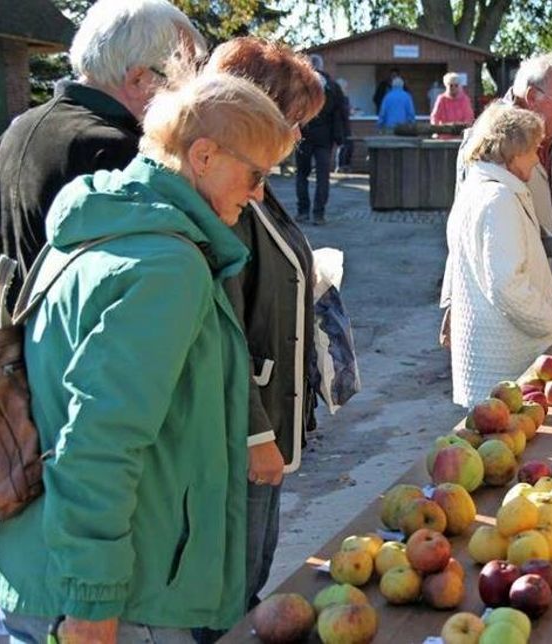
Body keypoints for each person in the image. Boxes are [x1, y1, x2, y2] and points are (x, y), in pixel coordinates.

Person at [0, 72, 297, 643]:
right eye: (256, 174)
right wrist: (93, 602)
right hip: (121, 599)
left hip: (47, 568)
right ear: (203, 156)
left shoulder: (100, 224)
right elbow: (97, 443)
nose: (258, 193)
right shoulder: (164, 268)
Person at [0, 0, 205, 318]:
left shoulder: (18, 130)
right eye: (181, 80)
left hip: (26, 351)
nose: (189, 97)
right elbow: (145, 298)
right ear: (138, 79)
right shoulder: (120, 153)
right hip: (83, 358)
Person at [206, 37, 325, 612]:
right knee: (231, 588)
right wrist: (257, 435)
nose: (298, 136)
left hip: (266, 421)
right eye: (293, 120)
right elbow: (221, 326)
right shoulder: (224, 199)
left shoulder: (259, 188)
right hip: (239, 434)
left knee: (252, 573)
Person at [439, 52, 552, 348]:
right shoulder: (491, 140)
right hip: (503, 311)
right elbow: (483, 226)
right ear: (533, 96)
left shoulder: (544, 134)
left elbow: (542, 205)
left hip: (537, 298)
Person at [446, 104, 552, 407]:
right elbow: (506, 284)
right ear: (512, 152)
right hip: (506, 362)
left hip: (490, 359)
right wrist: (548, 322)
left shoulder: (480, 189)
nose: (538, 158)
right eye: (534, 149)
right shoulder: (498, 198)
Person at [295, 54, 346, 225]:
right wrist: (340, 137)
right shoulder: (332, 86)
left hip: (304, 136)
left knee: (302, 174)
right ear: (322, 66)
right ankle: (319, 214)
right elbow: (340, 113)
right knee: (323, 176)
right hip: (325, 138)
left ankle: (303, 211)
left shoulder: (300, 87)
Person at [335, 78, 354, 173]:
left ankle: (343, 165)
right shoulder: (342, 98)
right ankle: (341, 166)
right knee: (344, 145)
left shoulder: (341, 98)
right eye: (346, 87)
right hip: (343, 125)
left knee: (347, 145)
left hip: (342, 124)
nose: (347, 89)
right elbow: (344, 112)